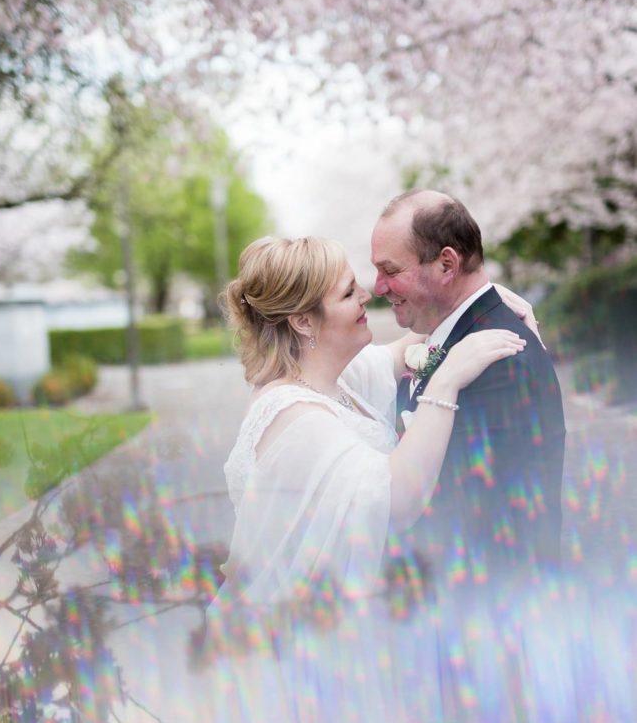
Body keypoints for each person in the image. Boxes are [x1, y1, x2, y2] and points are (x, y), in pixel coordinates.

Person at [216, 234, 530, 608]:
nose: (367, 295)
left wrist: (474, 301)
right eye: (348, 294)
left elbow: (405, 349)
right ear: (303, 321)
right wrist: (446, 381)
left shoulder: (335, 379)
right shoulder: (293, 418)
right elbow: (396, 498)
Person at [372, 189, 566, 591]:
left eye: (390, 270)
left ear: (447, 264)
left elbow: (486, 524)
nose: (377, 287)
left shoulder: (498, 364)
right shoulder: (461, 338)